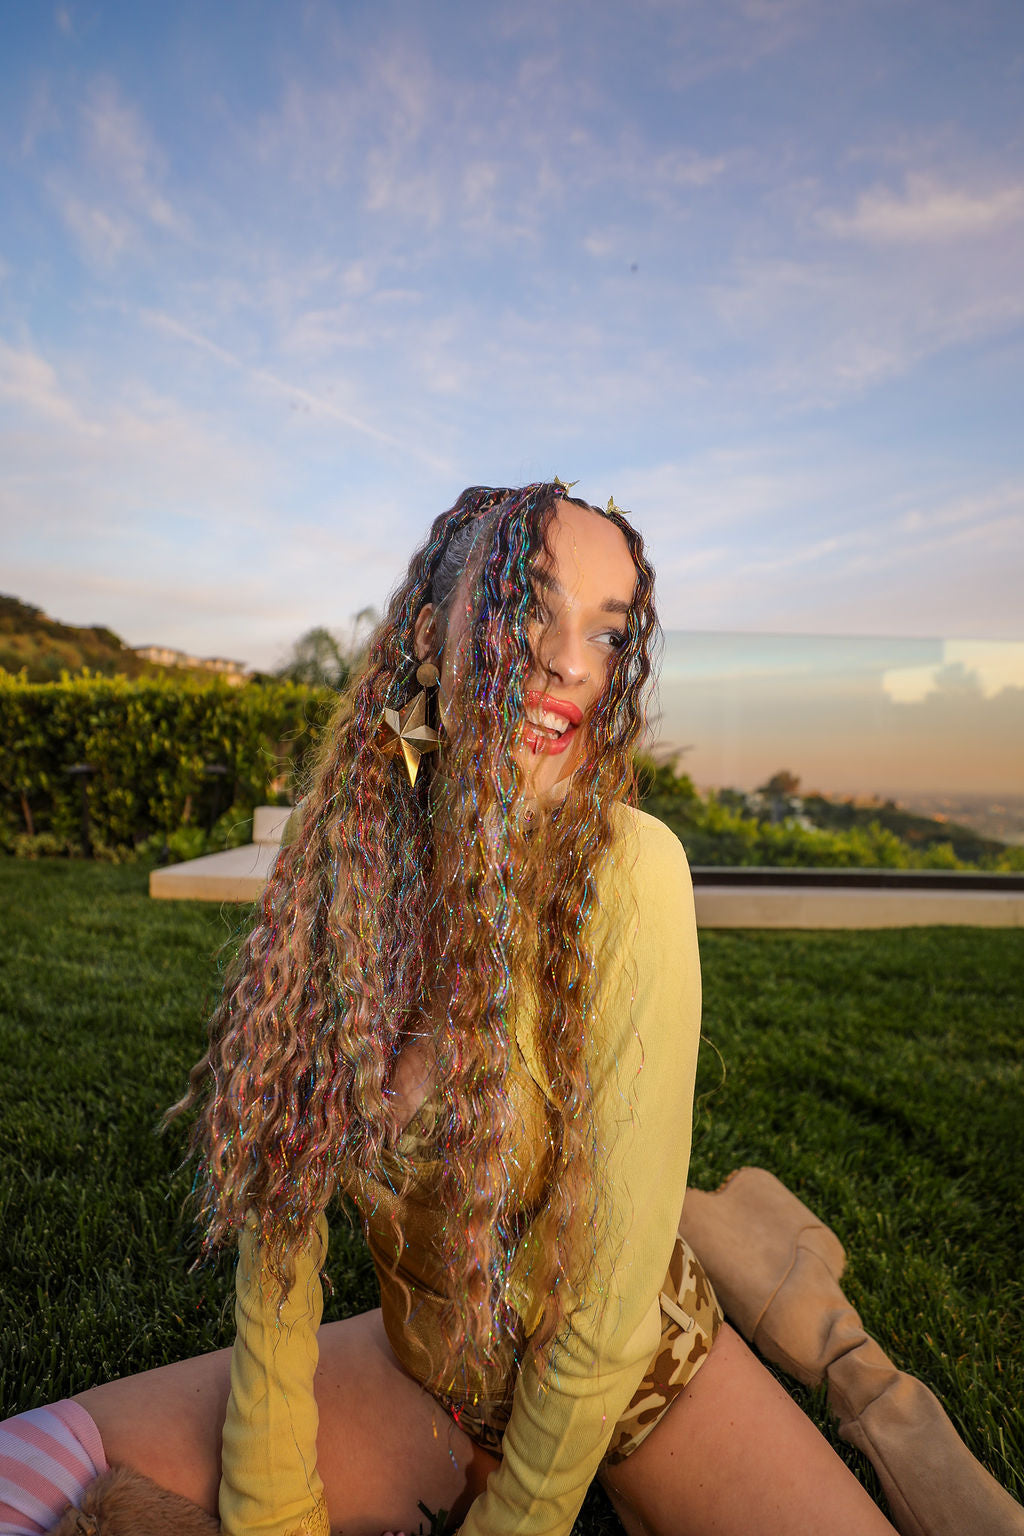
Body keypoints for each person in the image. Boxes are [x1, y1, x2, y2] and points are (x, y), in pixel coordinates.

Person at [1, 484, 899, 1536]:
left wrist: (512, 1519)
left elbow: (608, 1308)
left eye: (608, 634)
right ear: (430, 638)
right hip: (424, 1370)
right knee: (29, 1472)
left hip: (642, 1389)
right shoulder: (351, 866)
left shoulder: (629, 872)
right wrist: (271, 1506)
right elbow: (281, 1236)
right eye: (531, 611)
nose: (572, 662)